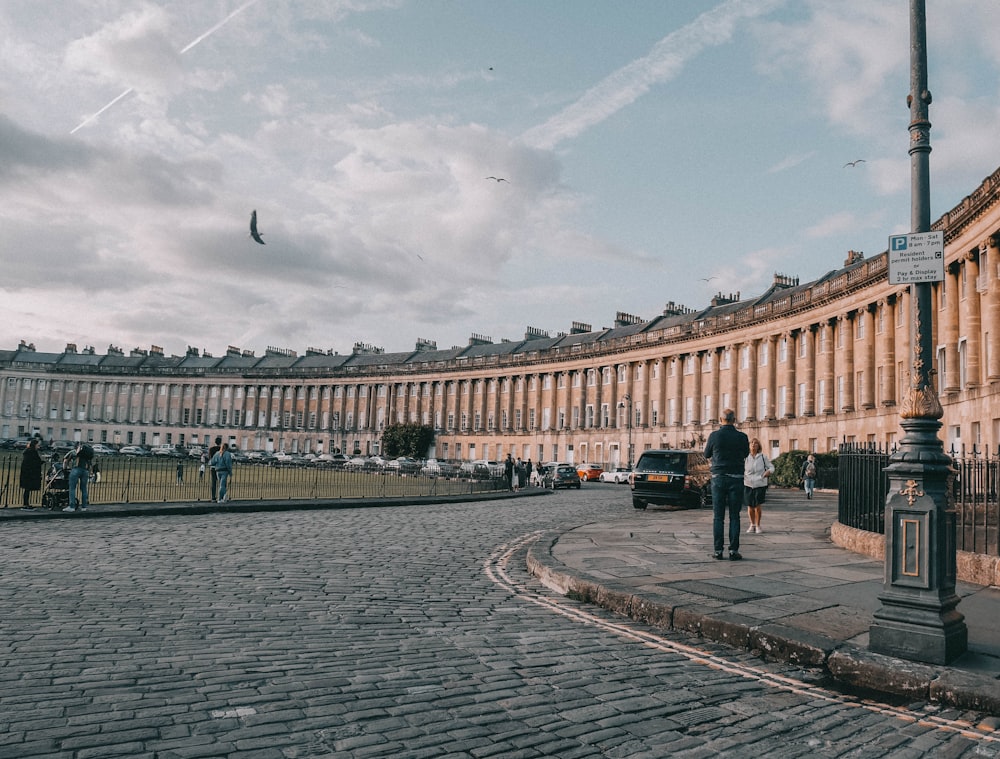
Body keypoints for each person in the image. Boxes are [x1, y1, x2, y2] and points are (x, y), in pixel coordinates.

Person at [704, 408, 750, 560]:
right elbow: (745, 454)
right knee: (734, 516)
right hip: (736, 478)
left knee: (718, 517)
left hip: (718, 478)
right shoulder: (742, 437)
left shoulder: (714, 436)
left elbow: (706, 454)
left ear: (720, 419)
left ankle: (718, 551)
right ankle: (733, 551)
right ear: (734, 419)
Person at [743, 438, 774, 534]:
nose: (753, 445)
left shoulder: (763, 457)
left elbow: (771, 467)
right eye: (752, 443)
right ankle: (751, 524)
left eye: (756, 443)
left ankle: (758, 525)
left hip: (759, 483)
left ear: (758, 446)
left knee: (757, 505)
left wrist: (768, 472)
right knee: (749, 506)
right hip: (747, 483)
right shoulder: (745, 457)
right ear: (749, 446)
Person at [63, 442, 94, 513]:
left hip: (76, 469)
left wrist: (65, 468)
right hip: (85, 471)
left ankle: (72, 506)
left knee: (72, 488)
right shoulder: (87, 453)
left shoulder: (73, 452)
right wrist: (90, 472)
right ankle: (84, 506)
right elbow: (90, 464)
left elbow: (65, 460)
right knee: (83, 489)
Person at [19, 438, 44, 509]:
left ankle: (26, 503)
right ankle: (25, 504)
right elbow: (34, 462)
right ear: (34, 445)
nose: (38, 446)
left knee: (27, 489)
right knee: (27, 489)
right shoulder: (32, 452)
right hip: (29, 473)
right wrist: (41, 462)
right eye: (37, 445)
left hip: (27, 473)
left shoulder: (29, 452)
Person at [208, 436, 222, 502]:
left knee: (214, 482)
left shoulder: (211, 449)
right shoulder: (222, 450)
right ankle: (221, 497)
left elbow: (210, 458)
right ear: (220, 442)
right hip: (220, 467)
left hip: (213, 467)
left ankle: (213, 497)